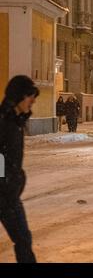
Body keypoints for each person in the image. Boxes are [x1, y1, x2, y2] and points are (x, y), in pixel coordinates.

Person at [0, 75, 39, 263]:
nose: (32, 101)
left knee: (23, 238)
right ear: (19, 96)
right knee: (23, 238)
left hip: (8, 193)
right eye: (30, 96)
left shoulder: (15, 122)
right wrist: (4, 180)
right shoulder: (4, 123)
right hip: (4, 194)